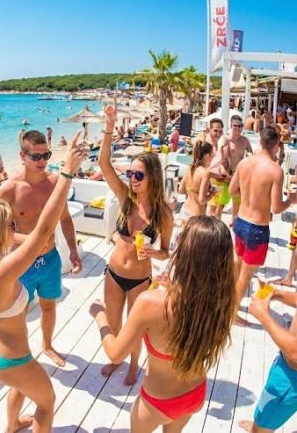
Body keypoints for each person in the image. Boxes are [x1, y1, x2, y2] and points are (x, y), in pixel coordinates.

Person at [0, 132, 89, 433]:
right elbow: (43, 229)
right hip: (13, 360)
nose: (13, 229)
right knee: (46, 403)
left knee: (20, 387)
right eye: (9, 226)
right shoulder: (2, 272)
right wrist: (68, 173)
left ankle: (11, 427)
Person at [91, 216, 236, 432]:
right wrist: (173, 289)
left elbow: (115, 354)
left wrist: (100, 315)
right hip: (194, 394)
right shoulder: (224, 301)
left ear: (186, 255)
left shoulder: (151, 303)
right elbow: (191, 309)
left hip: (157, 402)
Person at [98, 100, 174, 385]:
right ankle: (114, 358)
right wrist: (108, 128)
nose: (131, 179)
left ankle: (132, 365)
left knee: (136, 327)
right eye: (130, 174)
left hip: (141, 279)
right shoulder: (125, 199)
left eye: (138, 175)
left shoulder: (164, 214)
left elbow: (167, 252)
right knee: (115, 324)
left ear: (152, 177)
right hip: (114, 275)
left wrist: (155, 252)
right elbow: (104, 165)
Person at [0, 129, 83, 367]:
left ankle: (47, 346)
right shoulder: (8, 190)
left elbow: (65, 219)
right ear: (22, 156)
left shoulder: (56, 183)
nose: (43, 161)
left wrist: (73, 251)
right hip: (22, 264)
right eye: (36, 157)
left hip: (50, 259)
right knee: (18, 312)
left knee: (48, 305)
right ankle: (19, 354)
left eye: (46, 155)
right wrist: (31, 240)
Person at [229, 126, 296, 326]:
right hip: (257, 228)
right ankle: (231, 313)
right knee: (245, 275)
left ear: (260, 141)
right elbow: (276, 208)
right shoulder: (275, 171)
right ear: (276, 146)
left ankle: (228, 304)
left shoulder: (244, 163)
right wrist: (291, 201)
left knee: (236, 267)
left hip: (240, 221)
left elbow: (233, 191)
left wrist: (250, 198)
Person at [238, 274, 297, 431]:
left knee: (263, 424)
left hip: (290, 380)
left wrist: (263, 316)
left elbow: (295, 355)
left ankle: (260, 427)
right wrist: (276, 294)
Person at [225, 115, 254, 224]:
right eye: (235, 126)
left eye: (240, 126)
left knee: (237, 201)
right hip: (228, 175)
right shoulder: (226, 140)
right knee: (220, 203)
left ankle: (234, 220)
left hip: (241, 176)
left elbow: (252, 155)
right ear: (230, 126)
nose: (237, 128)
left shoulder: (245, 140)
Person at [177, 141, 213, 223]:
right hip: (197, 215)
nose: (212, 158)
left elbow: (181, 189)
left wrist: (193, 191)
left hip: (185, 210)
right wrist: (211, 195)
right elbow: (201, 200)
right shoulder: (205, 173)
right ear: (207, 156)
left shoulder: (189, 168)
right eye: (212, 155)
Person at [206, 118, 231, 220]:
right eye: (215, 130)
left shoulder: (222, 144)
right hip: (209, 182)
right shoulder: (205, 145)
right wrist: (218, 176)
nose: (218, 133)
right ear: (209, 130)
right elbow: (200, 168)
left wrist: (226, 167)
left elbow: (226, 163)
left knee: (218, 211)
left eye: (220, 131)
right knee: (211, 212)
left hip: (222, 182)